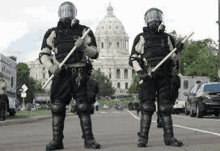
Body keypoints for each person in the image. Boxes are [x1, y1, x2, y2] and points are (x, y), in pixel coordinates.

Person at [39, 2, 101, 150]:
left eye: (70, 11)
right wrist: (50, 66)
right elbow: (43, 54)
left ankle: (89, 140)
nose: (67, 14)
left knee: (83, 106)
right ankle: (57, 140)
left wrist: (84, 47)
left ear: (75, 13)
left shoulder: (84, 30)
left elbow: (96, 53)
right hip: (61, 73)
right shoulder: (52, 33)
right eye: (65, 11)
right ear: (59, 14)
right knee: (57, 106)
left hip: (80, 72)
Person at [129, 8, 183, 147]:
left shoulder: (167, 38)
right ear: (147, 21)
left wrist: (178, 50)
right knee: (147, 107)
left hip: (165, 77)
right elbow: (133, 58)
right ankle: (143, 138)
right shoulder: (141, 37)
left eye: (157, 17)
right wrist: (140, 72)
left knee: (165, 108)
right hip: (148, 77)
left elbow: (174, 58)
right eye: (152, 18)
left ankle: (169, 138)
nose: (155, 20)